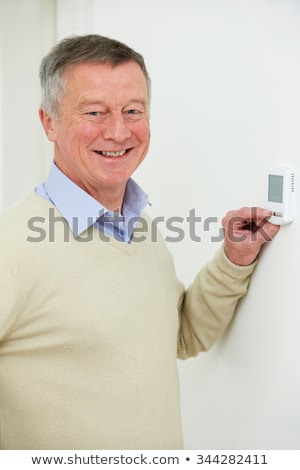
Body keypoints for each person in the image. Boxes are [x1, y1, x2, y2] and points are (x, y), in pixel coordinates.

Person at [0, 34, 279, 450]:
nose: (118, 131)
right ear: (49, 122)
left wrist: (234, 257)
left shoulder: (141, 227)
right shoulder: (12, 248)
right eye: (94, 112)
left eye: (133, 111)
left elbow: (180, 334)